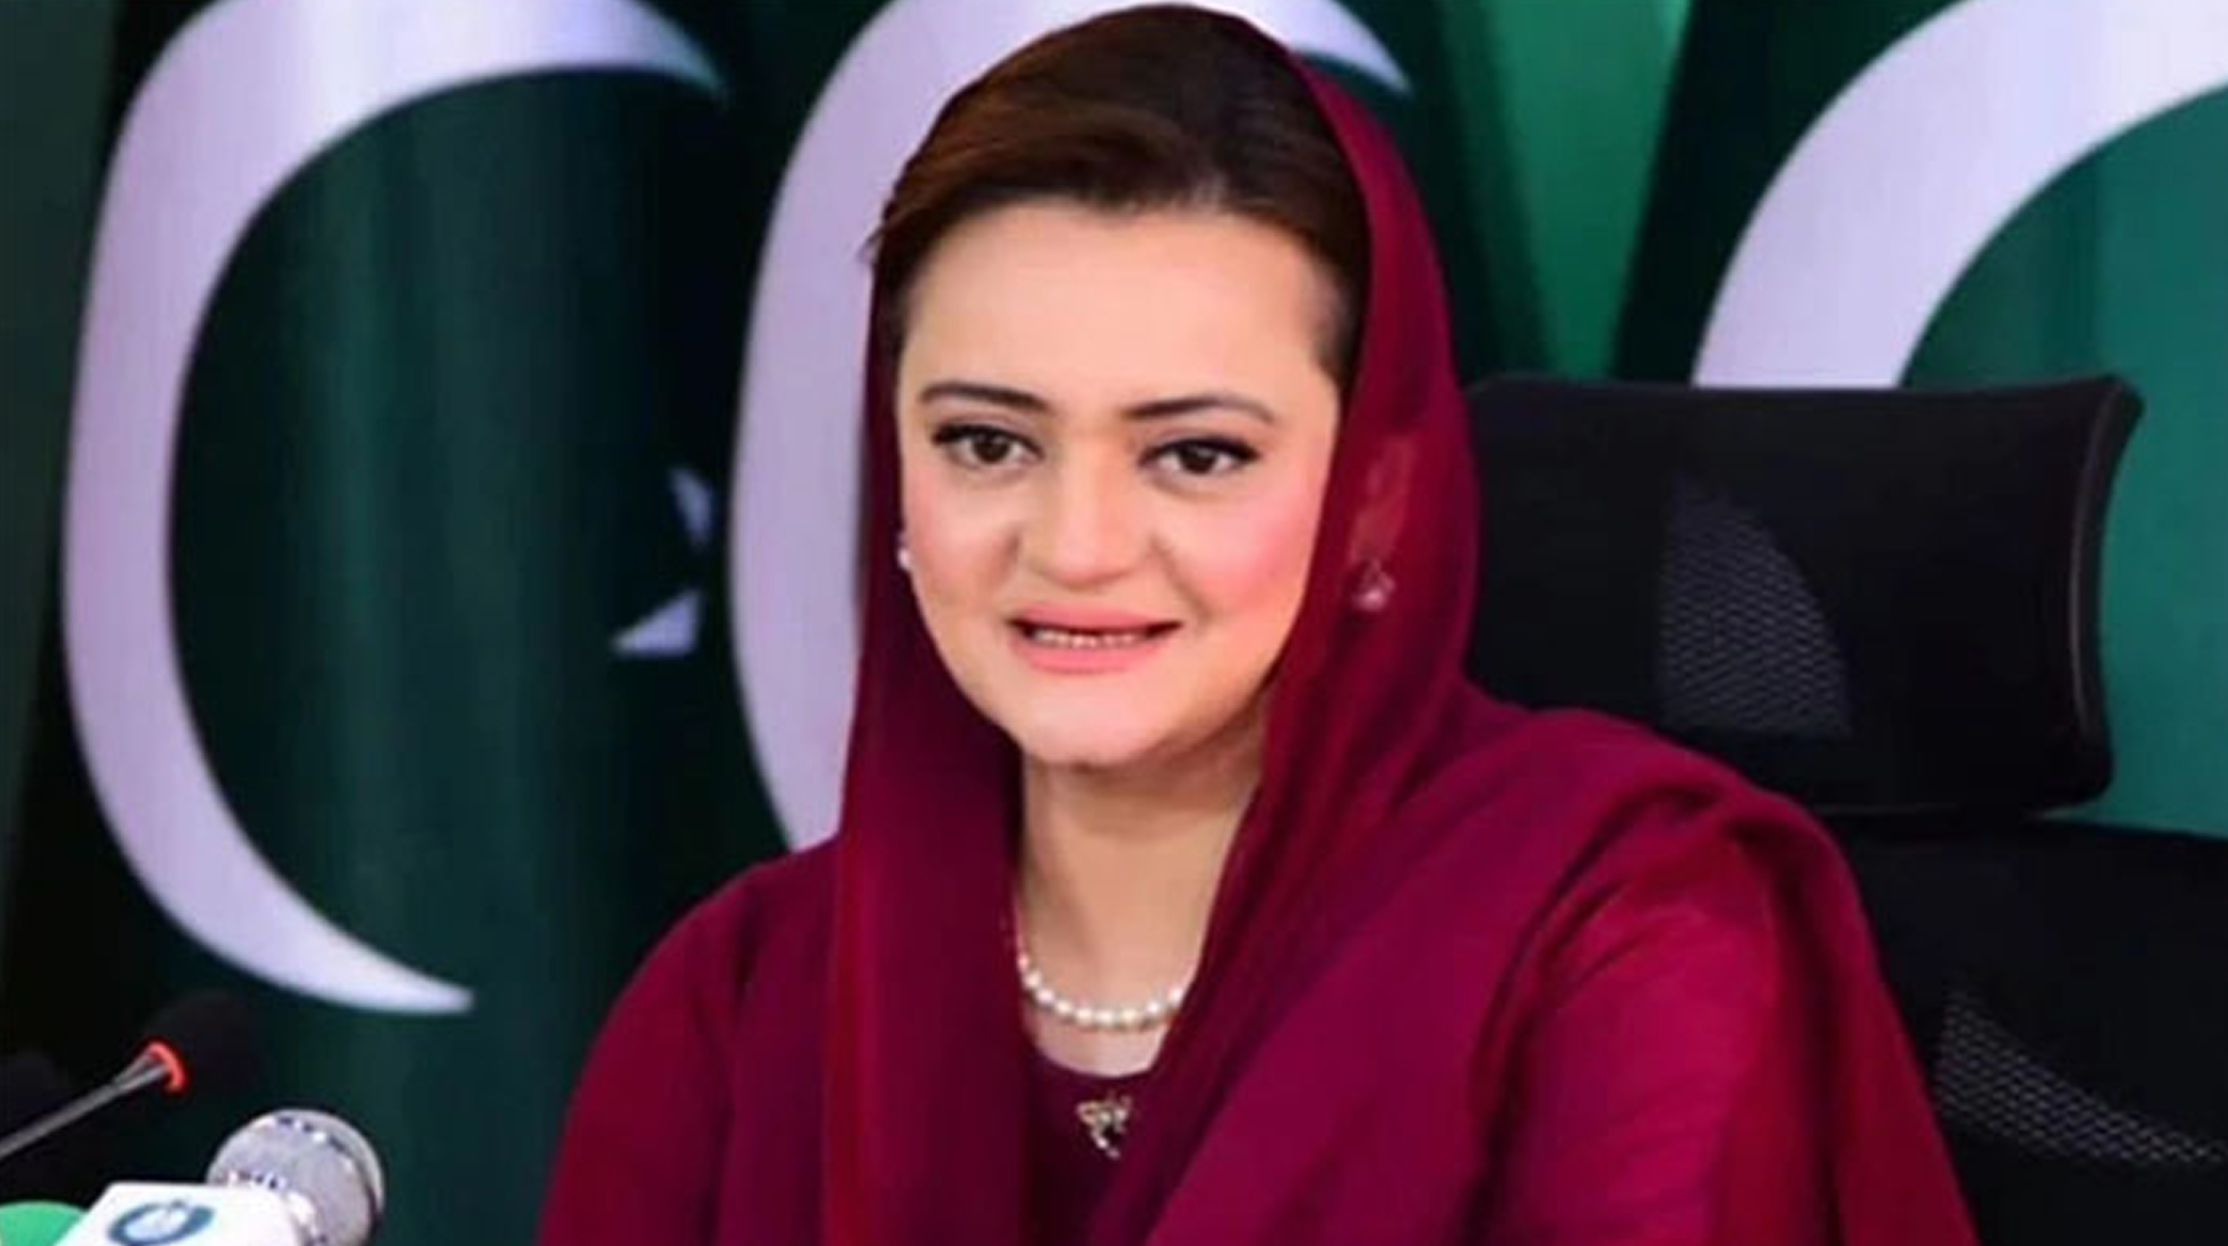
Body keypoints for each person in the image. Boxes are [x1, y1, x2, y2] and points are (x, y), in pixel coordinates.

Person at [536, 7, 1976, 1243]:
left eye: (1196, 454)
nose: (1075, 545)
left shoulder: (1625, 930)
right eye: (987, 442)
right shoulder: (740, 998)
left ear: (1376, 502)